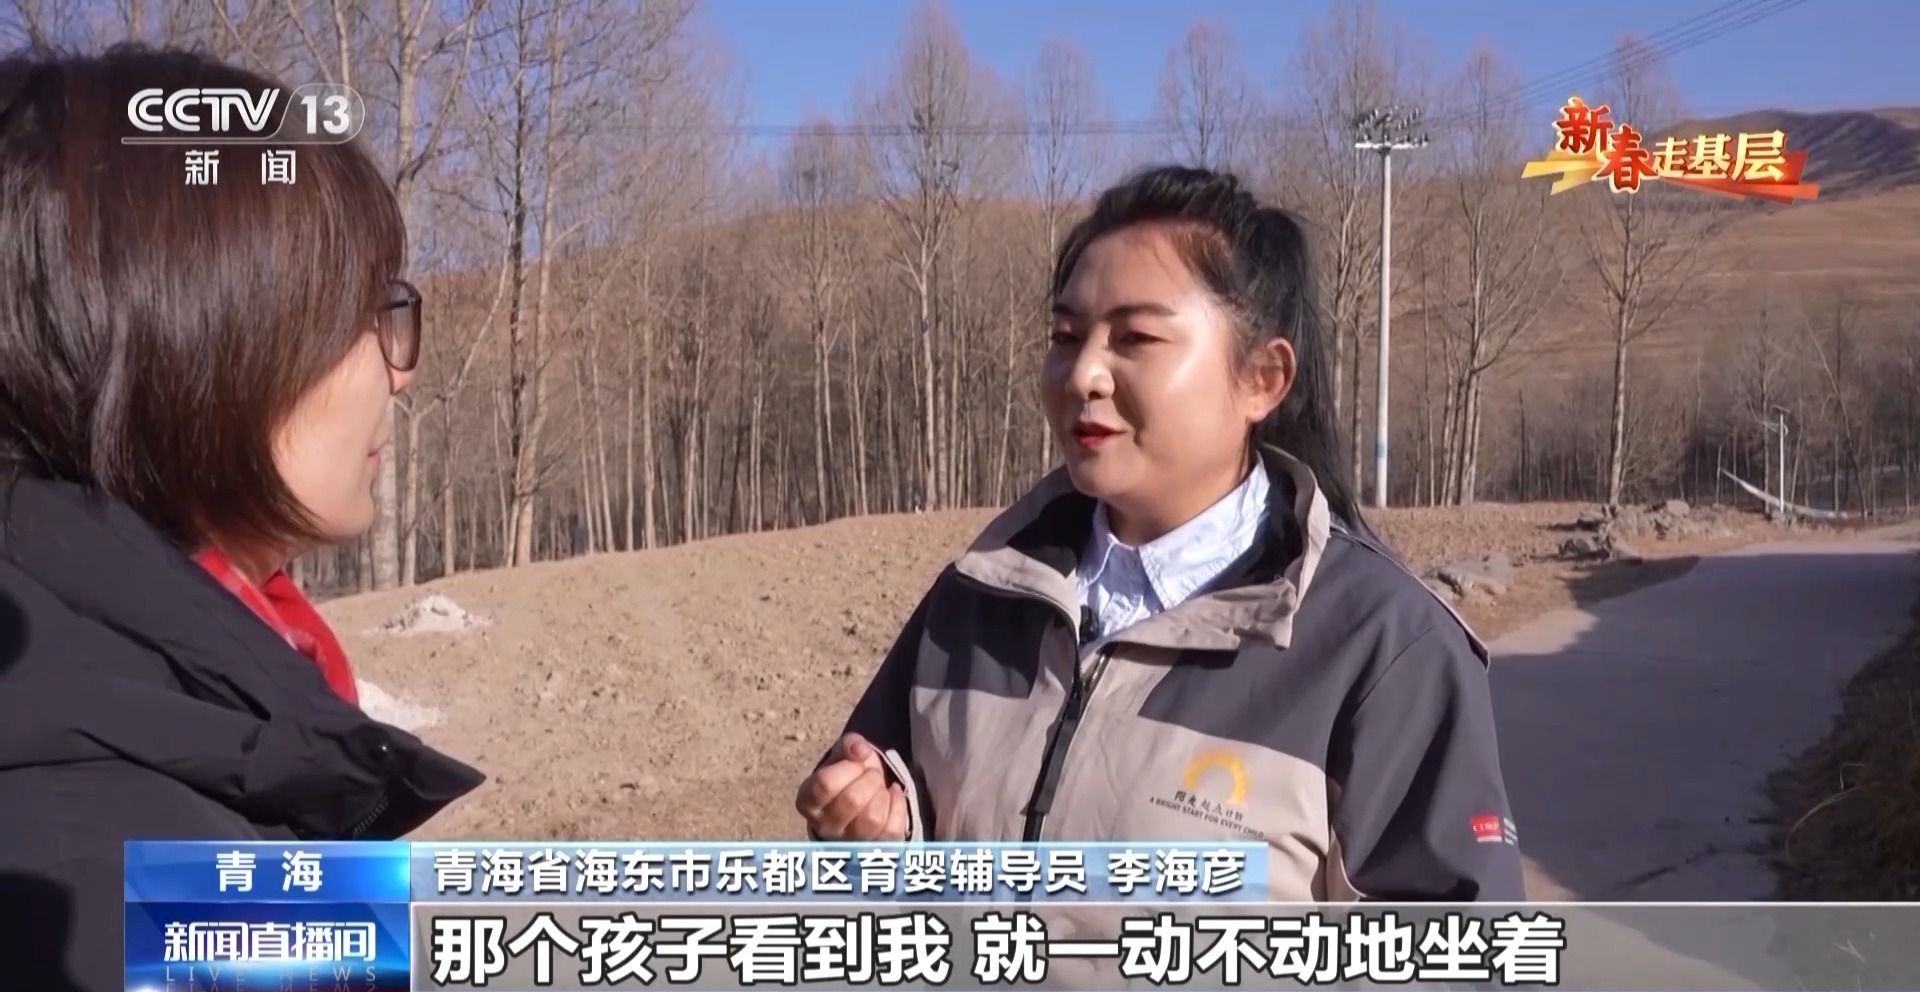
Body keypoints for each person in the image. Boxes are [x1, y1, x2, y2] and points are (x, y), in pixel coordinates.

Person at [797, 165, 1525, 901]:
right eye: (1066, 336)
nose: (1083, 375)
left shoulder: (1383, 645)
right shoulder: (981, 593)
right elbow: (881, 843)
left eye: (1136, 338)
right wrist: (873, 836)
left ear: (1262, 379)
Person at [0, 46, 483, 989]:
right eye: (366, 312)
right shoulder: (95, 895)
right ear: (204, 342)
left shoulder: (169, 718)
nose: (402, 369)